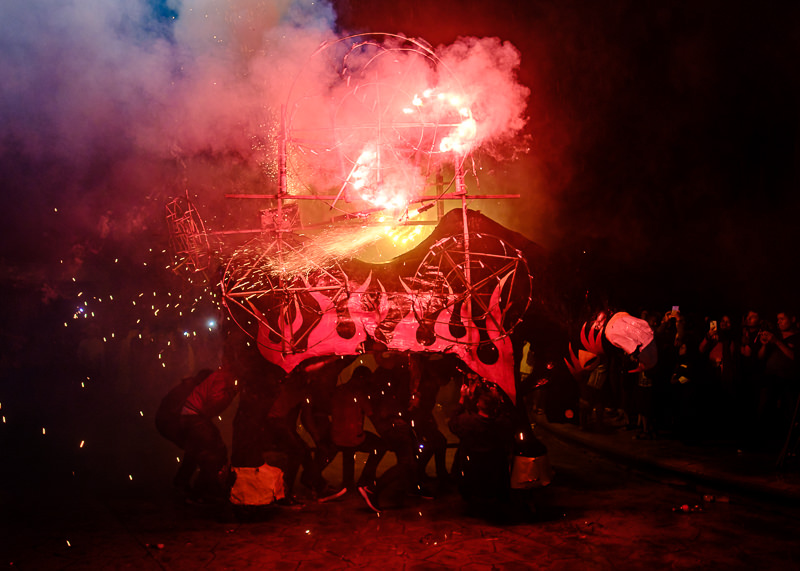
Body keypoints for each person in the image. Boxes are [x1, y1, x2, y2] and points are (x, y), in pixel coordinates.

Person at [448, 379, 515, 518]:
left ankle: (469, 498)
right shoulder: (502, 424)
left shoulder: (468, 422)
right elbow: (508, 422)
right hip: (494, 468)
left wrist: (462, 399)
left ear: (479, 404)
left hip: (471, 466)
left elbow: (453, 422)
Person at [178, 366, 238, 502]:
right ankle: (203, 492)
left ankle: (182, 487)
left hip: (191, 416)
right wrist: (231, 393)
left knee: (194, 452)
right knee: (216, 451)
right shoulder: (224, 377)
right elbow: (214, 402)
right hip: (194, 416)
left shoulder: (225, 376)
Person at [155, 368, 213, 493]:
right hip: (169, 422)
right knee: (197, 448)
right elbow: (183, 414)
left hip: (172, 421)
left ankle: (186, 483)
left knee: (198, 447)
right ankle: (185, 484)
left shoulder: (193, 387)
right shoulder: (191, 390)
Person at [330, 365, 386, 492]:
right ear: (362, 379)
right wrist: (384, 432)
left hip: (336, 436)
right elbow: (372, 416)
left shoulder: (338, 390)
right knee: (380, 446)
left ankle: (347, 484)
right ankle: (365, 479)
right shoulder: (359, 394)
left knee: (348, 449)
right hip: (353, 439)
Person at [757, 311, 799, 443]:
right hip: (770, 379)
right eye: (777, 319)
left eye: (782, 319)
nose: (778, 322)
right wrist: (764, 343)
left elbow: (794, 357)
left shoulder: (797, 337)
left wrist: (777, 342)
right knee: (763, 409)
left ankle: (790, 443)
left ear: (792, 319)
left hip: (789, 380)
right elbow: (760, 357)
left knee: (790, 413)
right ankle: (760, 441)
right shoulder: (775, 335)